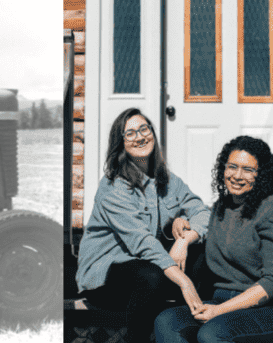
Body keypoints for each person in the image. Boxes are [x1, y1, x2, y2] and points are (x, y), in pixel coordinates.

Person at [75, 108, 212, 343]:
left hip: (149, 268)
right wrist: (183, 281)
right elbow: (142, 242)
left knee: (202, 257)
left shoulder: (167, 181)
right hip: (106, 277)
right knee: (152, 275)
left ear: (152, 133)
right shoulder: (113, 188)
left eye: (143, 129)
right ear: (120, 144)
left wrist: (185, 238)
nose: (139, 137)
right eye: (129, 134)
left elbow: (202, 212)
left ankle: (184, 333)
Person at [154, 136, 273, 343]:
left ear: (261, 175)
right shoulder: (221, 207)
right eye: (232, 166)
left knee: (213, 333)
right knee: (168, 321)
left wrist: (219, 310)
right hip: (221, 300)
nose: (237, 175)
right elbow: (204, 226)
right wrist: (183, 230)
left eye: (248, 169)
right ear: (223, 169)